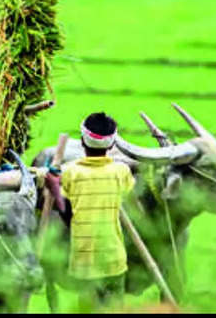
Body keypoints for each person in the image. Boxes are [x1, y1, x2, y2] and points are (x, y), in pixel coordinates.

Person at [44, 112, 135, 311]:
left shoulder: (70, 173)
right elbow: (127, 191)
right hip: (115, 260)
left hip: (84, 264)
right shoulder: (122, 171)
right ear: (111, 145)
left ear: (82, 142)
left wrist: (53, 187)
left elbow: (66, 213)